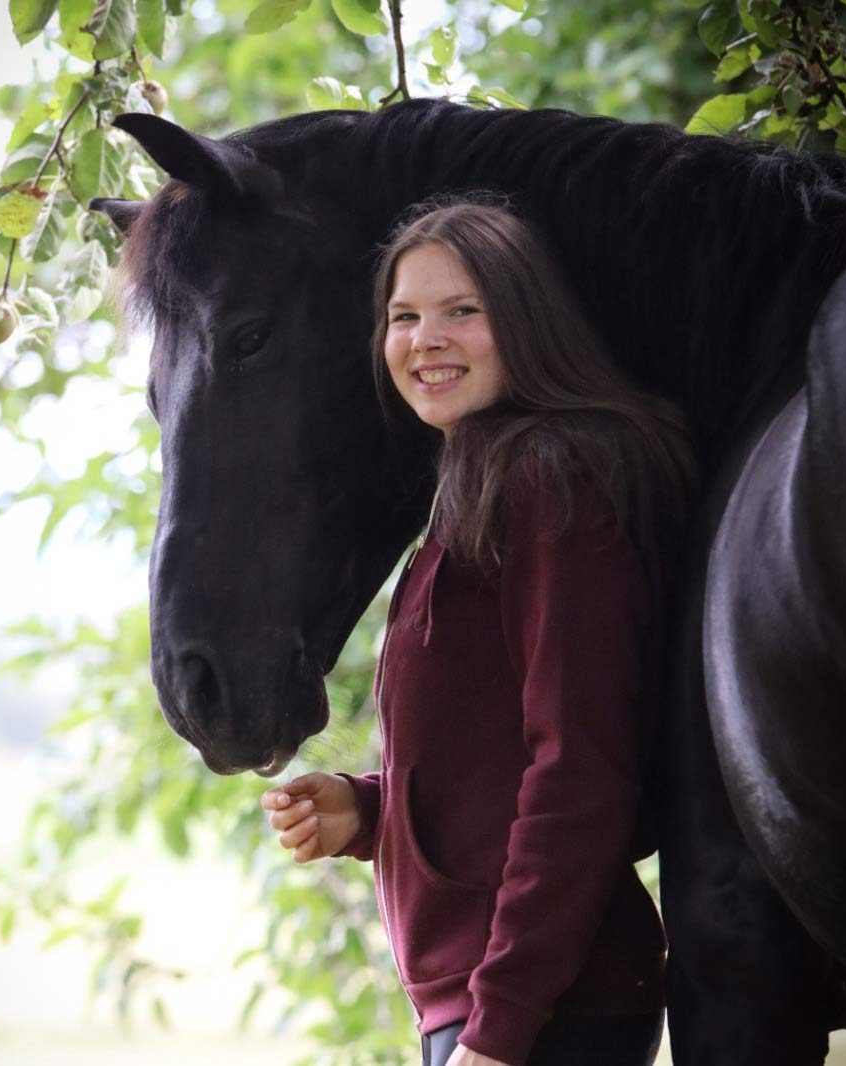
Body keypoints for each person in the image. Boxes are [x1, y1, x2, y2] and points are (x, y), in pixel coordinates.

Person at [260, 199, 696, 1066]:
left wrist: (500, 1029)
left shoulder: (554, 481)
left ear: (525, 318)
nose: (427, 339)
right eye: (404, 316)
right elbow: (489, 760)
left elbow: (581, 764)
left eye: (463, 310)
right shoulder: (477, 489)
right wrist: (370, 810)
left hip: (543, 1011)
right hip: (500, 1005)